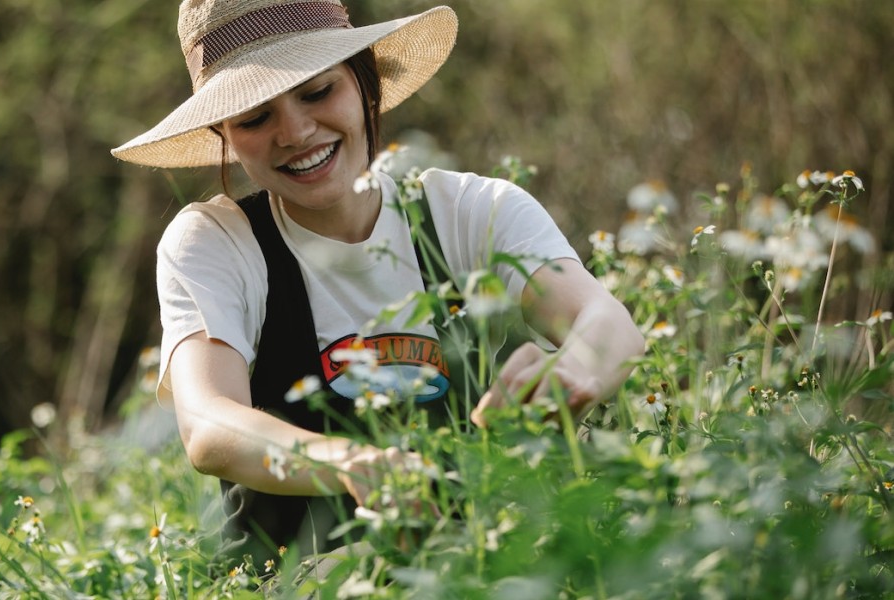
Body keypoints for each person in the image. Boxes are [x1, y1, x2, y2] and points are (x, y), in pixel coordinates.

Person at [111, 0, 645, 569]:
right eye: (253, 118)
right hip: (300, 577)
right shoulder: (216, 242)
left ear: (365, 82)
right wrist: (346, 463)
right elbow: (209, 424)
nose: (294, 132)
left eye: (317, 93)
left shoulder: (467, 210)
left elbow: (610, 325)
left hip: (479, 567)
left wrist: (573, 369)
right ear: (224, 133)